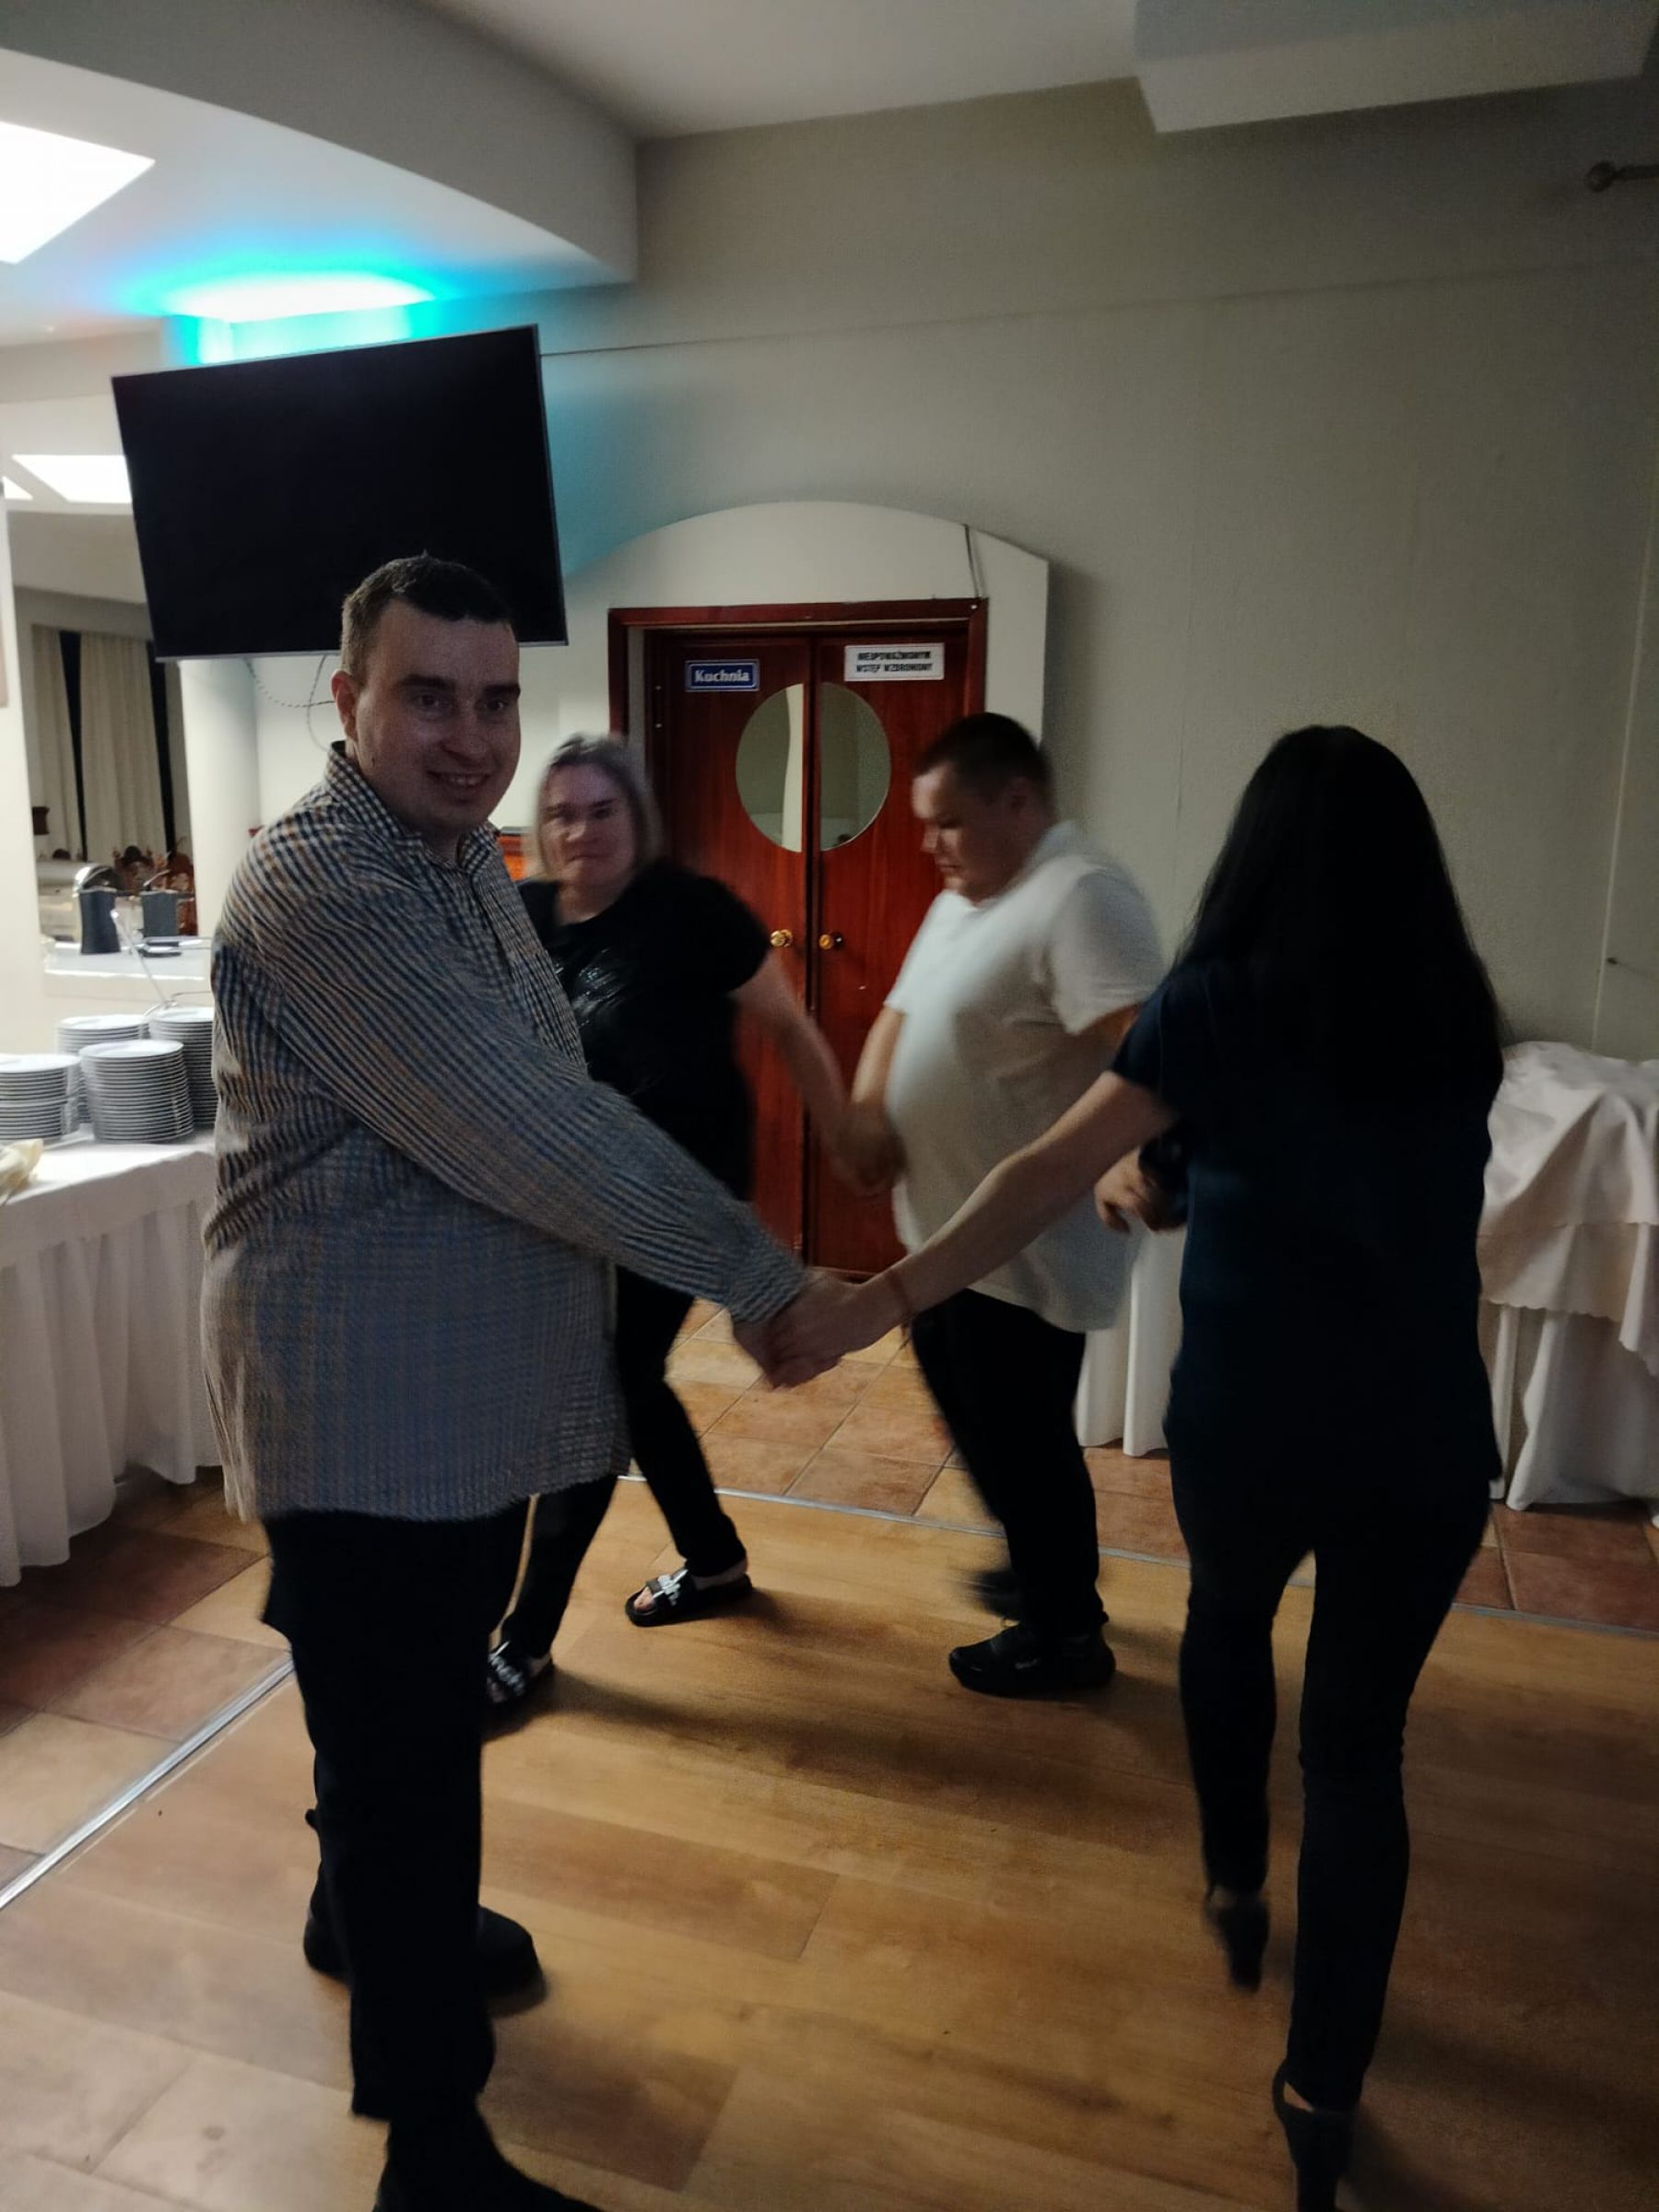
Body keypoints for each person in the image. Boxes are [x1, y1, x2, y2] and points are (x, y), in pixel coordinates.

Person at [776, 726, 1503, 2212]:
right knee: (1360, 1756)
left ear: (1255, 857)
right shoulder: (1455, 1016)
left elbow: (1042, 1173)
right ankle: (1323, 2094)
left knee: (1230, 1627)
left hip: (1259, 1421)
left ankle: (1235, 1884)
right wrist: (1170, 1177)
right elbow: (1336, 1173)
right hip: (1425, 1436)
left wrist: (879, 1298)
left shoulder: (1216, 1003)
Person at [205, 556, 830, 2212]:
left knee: (392, 1721)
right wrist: (761, 1276)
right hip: (368, 1412)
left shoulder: (454, 861)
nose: (473, 737)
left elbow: (544, 1080)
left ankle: (356, 1913)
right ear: (348, 697)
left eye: (495, 701)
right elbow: (536, 1128)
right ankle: (436, 2157)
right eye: (429, 697)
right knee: (411, 1760)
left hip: (440, 1411)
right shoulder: (327, 883)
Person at [485, 735, 869, 1710]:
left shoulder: (691, 910)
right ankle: (715, 1561)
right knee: (631, 1382)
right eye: (562, 813)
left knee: (603, 1386)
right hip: (575, 1198)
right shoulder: (524, 914)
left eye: (601, 810)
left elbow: (790, 1027)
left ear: (636, 816)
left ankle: (524, 1643)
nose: (581, 831)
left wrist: (841, 1135)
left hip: (681, 1198)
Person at [840, 712, 1162, 1697]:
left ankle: (1066, 1634)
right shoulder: (970, 893)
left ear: (1017, 800)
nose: (929, 845)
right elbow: (902, 1012)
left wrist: (1132, 1154)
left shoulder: (1079, 895)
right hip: (948, 1239)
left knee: (1021, 1440)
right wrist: (868, 1107)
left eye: (946, 822)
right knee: (981, 1421)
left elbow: (1149, 1051)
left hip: (1026, 1247)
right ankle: (1039, 1563)